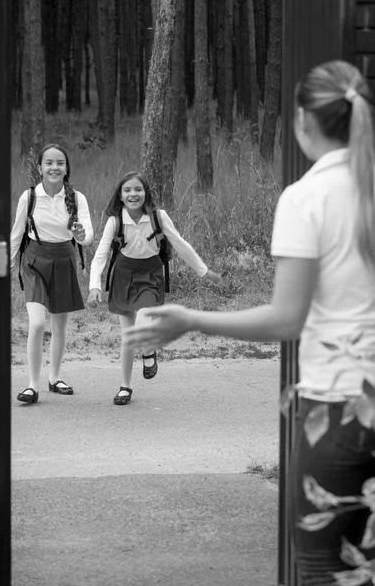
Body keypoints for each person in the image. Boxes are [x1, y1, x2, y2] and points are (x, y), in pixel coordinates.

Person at [124, 60, 375, 585]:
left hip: (345, 413)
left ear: (303, 121)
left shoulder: (307, 198)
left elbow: (287, 318)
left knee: (325, 572)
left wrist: (192, 319)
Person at [87, 170, 222, 406]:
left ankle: (148, 351)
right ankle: (125, 387)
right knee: (128, 337)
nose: (133, 194)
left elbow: (181, 244)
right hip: (123, 276)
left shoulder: (158, 216)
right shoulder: (115, 221)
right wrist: (94, 286)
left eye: (138, 189)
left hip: (150, 275)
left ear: (146, 193)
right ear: (120, 195)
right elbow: (99, 256)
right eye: (127, 190)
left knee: (145, 316)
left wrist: (203, 271)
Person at [10, 143, 94, 404]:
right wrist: (6, 265)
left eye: (60, 162)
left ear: (66, 168)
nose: (54, 167)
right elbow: (16, 235)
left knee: (59, 326)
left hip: (63, 260)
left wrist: (82, 236)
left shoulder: (77, 198)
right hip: (34, 261)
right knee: (36, 324)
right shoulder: (29, 197)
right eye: (49, 162)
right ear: (39, 168)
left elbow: (88, 235)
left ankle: (54, 378)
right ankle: (32, 386)